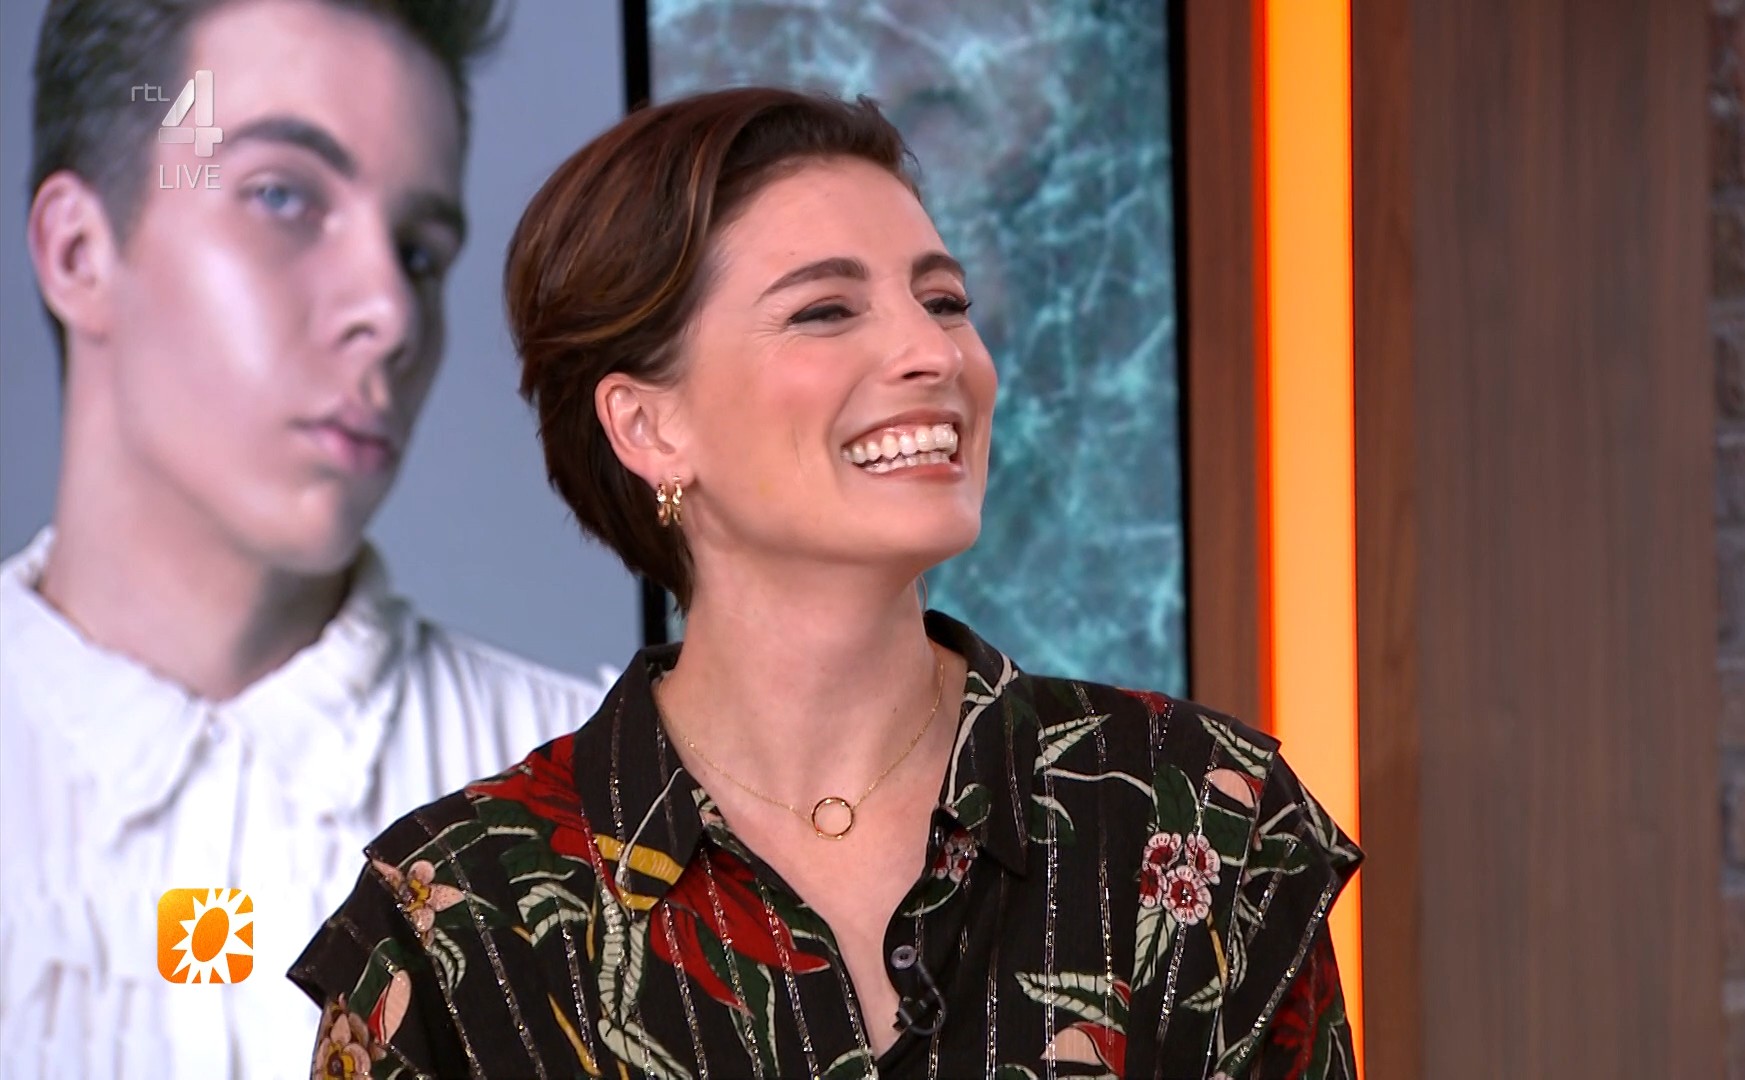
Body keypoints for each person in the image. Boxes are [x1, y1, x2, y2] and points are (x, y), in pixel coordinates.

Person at [292, 86, 1362, 1079]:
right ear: (648, 425)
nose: (933, 352)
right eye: (825, 311)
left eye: (943, 300)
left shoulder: (1204, 814)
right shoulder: (455, 919)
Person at [0, 0, 606, 1074]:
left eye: (420, 253)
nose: (391, 310)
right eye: (282, 196)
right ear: (79, 252)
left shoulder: (604, 801)